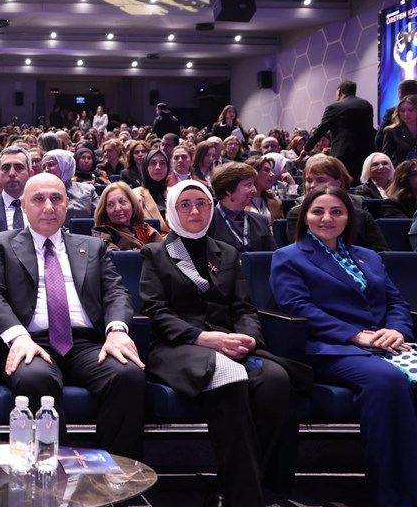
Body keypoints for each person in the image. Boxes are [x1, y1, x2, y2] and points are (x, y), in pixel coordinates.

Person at [140, 179, 307, 507]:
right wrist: (202, 338)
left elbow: (244, 308)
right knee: (227, 376)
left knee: (276, 379)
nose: (195, 211)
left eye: (201, 203)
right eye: (185, 204)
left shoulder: (227, 252)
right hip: (178, 346)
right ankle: (244, 498)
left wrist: (249, 338)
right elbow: (155, 311)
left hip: (229, 343)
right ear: (172, 211)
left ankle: (234, 482)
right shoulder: (156, 253)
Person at [0, 172, 145, 457]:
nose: (48, 207)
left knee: (127, 374)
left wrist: (117, 330)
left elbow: (116, 292)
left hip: (87, 344)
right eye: (38, 199)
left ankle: (116, 472)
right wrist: (18, 336)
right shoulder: (2, 244)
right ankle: (54, 470)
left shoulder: (92, 246)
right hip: (31, 341)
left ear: (68, 203)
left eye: (56, 199)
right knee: (34, 378)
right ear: (24, 205)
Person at [272, 186, 417, 507]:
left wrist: (396, 330)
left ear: (349, 217)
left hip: (384, 343)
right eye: (318, 211)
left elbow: (396, 302)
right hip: (328, 347)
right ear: (305, 217)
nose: (327, 218)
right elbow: (297, 307)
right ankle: (395, 496)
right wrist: (355, 335)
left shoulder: (369, 256)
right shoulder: (288, 257)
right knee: (386, 381)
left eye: (336, 211)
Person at [285, 156, 389, 252]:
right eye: (309, 181)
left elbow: (381, 252)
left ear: (337, 183)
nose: (312, 185)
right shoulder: (297, 214)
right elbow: (301, 251)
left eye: (320, 180)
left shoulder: (362, 216)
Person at [302, 80, 375, 185]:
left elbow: (321, 129)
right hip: (366, 153)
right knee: (361, 184)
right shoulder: (367, 105)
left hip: (343, 154)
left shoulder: (334, 107)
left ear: (339, 92)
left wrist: (307, 148)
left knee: (343, 184)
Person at [207, 162, 276, 252]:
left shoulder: (260, 221)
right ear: (229, 190)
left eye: (254, 184)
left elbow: (272, 255)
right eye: (248, 185)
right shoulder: (208, 221)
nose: (254, 190)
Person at [91, 182, 162, 251]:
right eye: (110, 204)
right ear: (104, 210)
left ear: (132, 205)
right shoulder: (102, 233)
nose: (117, 208)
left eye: (122, 201)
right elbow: (113, 256)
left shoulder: (145, 229)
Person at [41, 149, 98, 219]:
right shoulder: (41, 193)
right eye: (44, 167)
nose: (46, 169)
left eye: (51, 164)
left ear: (66, 165)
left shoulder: (88, 189)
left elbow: (99, 218)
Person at [133, 149, 171, 233]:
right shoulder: (134, 195)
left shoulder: (174, 193)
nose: (158, 167)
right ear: (145, 167)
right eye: (153, 163)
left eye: (162, 163)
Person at [244, 156, 285, 228]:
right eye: (266, 170)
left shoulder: (276, 203)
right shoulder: (236, 203)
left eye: (271, 171)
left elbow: (281, 230)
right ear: (252, 174)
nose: (273, 174)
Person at [381, 94, 417, 166]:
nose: (406, 114)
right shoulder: (391, 131)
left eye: (410, 110)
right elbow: (386, 157)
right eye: (402, 111)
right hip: (401, 170)